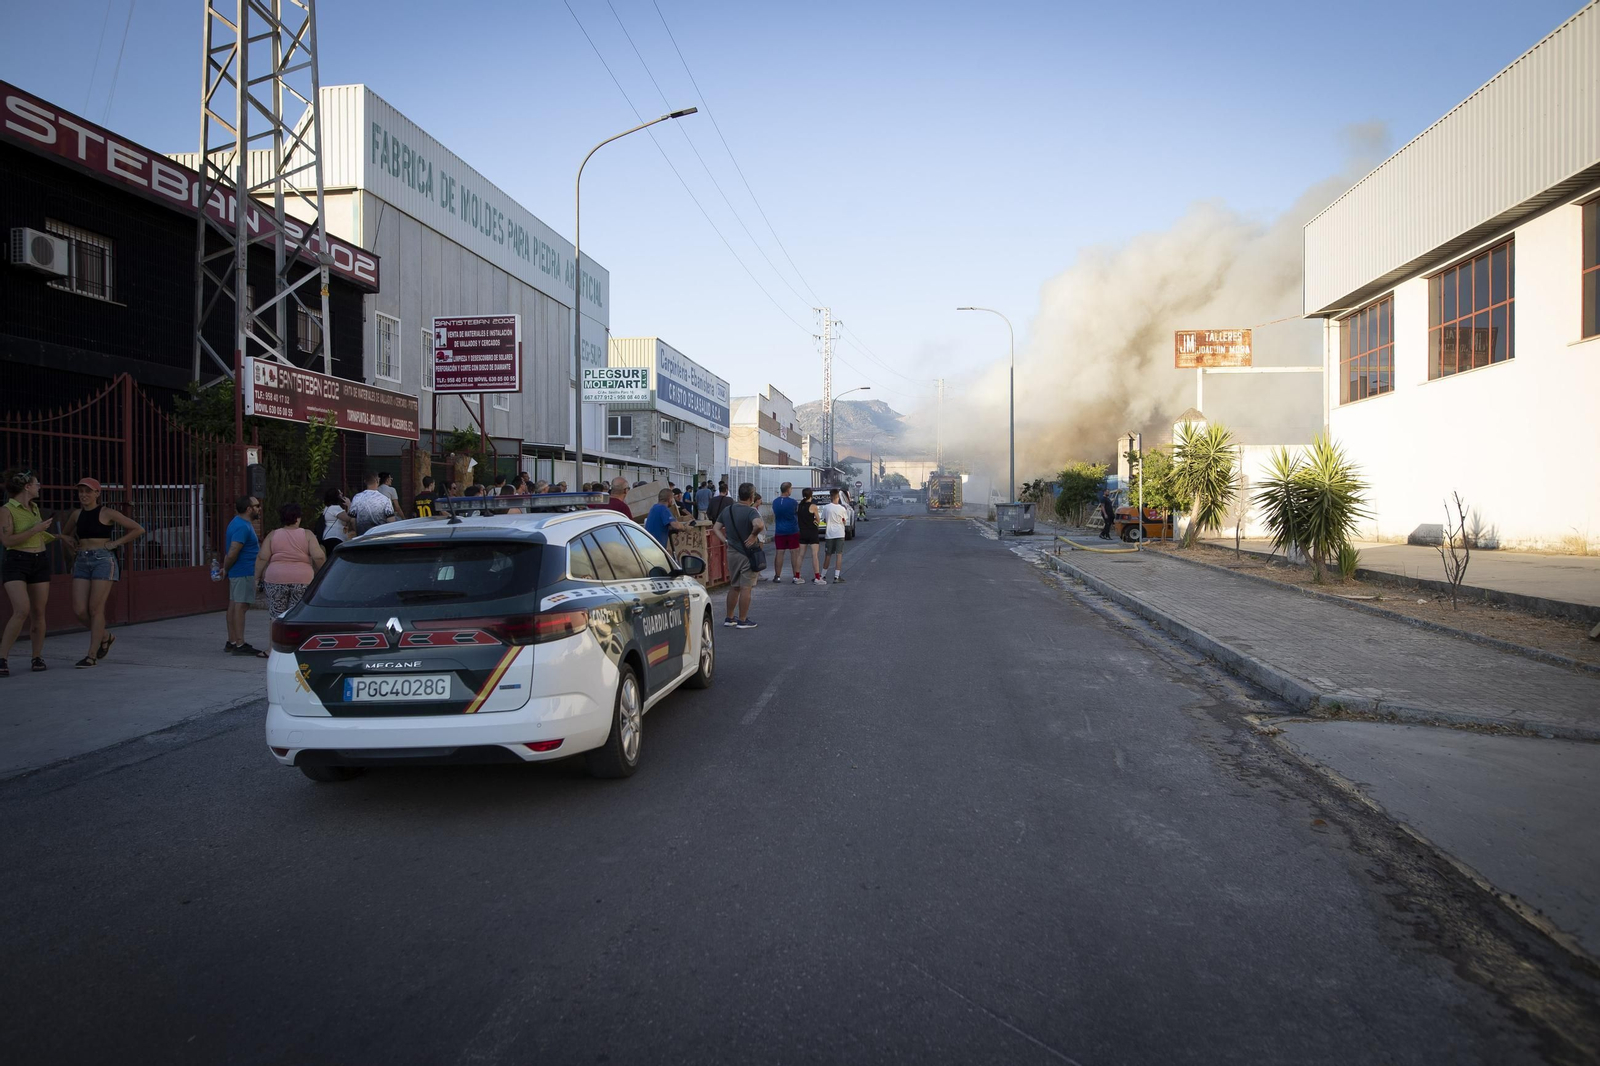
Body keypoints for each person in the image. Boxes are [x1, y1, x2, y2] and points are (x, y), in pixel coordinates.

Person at [60, 477, 145, 669]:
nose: (84, 495)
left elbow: (137, 529)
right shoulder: (76, 514)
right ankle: (105, 636)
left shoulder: (107, 512)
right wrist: (70, 542)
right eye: (81, 491)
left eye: (88, 491)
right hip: (82, 559)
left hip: (103, 560)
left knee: (95, 609)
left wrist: (115, 543)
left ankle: (91, 655)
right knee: (79, 609)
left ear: (97, 493)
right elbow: (65, 534)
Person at [1, 470, 54, 676]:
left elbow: (38, 535)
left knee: (38, 612)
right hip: (17, 561)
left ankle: (37, 656)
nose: (39, 486)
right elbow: (7, 541)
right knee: (21, 610)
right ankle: (2, 657)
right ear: (27, 487)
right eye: (36, 483)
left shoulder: (34, 507)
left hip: (39, 560)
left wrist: (55, 536)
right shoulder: (6, 510)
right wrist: (35, 529)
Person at [255, 502, 326, 617]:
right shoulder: (307, 535)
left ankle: (276, 634)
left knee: (276, 615)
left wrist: (256, 578)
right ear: (298, 518)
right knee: (298, 615)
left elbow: (262, 557)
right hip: (302, 580)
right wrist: (324, 574)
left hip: (275, 579)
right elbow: (319, 556)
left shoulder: (272, 535)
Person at [711, 482, 763, 629]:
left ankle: (729, 617)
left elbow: (716, 528)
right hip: (747, 553)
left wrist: (726, 540)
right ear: (752, 496)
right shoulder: (751, 511)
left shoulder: (728, 510)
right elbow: (759, 525)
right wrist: (753, 535)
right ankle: (742, 619)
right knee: (746, 587)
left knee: (734, 586)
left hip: (732, 552)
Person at [222, 495, 267, 657]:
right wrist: (226, 567)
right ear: (249, 509)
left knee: (234, 604)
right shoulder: (243, 527)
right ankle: (239, 644)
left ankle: (232, 640)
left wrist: (227, 568)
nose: (258, 508)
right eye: (256, 506)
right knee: (241, 606)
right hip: (244, 571)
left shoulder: (236, 522)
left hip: (238, 571)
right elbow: (234, 550)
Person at [769, 481, 801, 583]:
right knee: (794, 553)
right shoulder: (793, 502)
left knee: (779, 552)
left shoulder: (775, 502)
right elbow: (796, 512)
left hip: (779, 530)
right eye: (791, 489)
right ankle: (795, 576)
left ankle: (777, 576)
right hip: (792, 530)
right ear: (788, 490)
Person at [820, 488, 851, 583]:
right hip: (840, 534)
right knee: (839, 554)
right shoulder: (842, 509)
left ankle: (822, 575)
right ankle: (836, 577)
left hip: (829, 534)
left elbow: (824, 520)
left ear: (830, 496)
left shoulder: (826, 507)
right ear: (837, 496)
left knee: (828, 555)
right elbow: (844, 521)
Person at [796, 486, 824, 585]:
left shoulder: (800, 505)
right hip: (812, 532)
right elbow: (818, 519)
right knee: (814, 555)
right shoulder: (813, 506)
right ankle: (817, 577)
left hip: (802, 532)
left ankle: (797, 576)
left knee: (800, 555)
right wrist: (815, 523)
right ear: (811, 495)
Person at [319, 487, 353, 555]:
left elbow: (343, 523)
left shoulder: (328, 507)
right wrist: (349, 505)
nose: (342, 494)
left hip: (328, 537)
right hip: (335, 538)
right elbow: (347, 518)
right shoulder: (335, 508)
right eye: (340, 493)